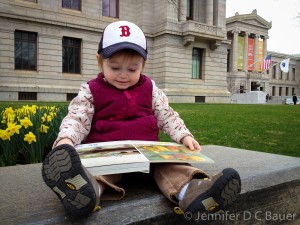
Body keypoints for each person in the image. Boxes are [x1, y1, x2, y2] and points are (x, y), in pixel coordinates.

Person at [42, 21, 241, 219]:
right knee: (96, 173)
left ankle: (193, 192)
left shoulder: (150, 88)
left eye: (132, 69)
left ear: (143, 66)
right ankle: (85, 192)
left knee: (173, 167)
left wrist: (183, 136)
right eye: (115, 67)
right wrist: (65, 141)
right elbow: (77, 118)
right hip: (107, 155)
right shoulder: (91, 90)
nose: (123, 75)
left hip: (149, 157)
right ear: (99, 61)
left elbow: (166, 114)